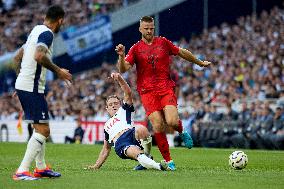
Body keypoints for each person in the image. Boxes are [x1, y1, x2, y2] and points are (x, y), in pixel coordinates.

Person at [115, 16, 211, 170]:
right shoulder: (135, 48)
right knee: (158, 125)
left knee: (172, 121)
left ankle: (181, 130)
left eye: (151, 28)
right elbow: (123, 69)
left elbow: (181, 52)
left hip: (165, 87)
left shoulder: (163, 42)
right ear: (140, 29)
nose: (149, 31)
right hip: (147, 92)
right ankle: (169, 161)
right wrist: (121, 56)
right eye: (146, 28)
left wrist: (199, 62)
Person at [12, 5, 72, 180]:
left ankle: (41, 168)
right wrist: (59, 71)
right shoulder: (47, 34)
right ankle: (22, 171)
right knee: (43, 130)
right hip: (30, 87)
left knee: (39, 126)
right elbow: (39, 56)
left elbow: (17, 57)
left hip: (28, 85)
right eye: (63, 22)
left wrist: (19, 81)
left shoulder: (35, 31)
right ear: (60, 20)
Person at [86, 73, 168, 171]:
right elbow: (106, 148)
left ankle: (147, 158)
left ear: (120, 104)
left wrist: (119, 78)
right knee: (136, 152)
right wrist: (96, 165)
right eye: (110, 104)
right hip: (120, 143)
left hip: (131, 134)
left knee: (141, 128)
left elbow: (128, 92)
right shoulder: (106, 125)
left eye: (116, 103)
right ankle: (158, 166)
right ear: (107, 108)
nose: (113, 106)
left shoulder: (124, 110)